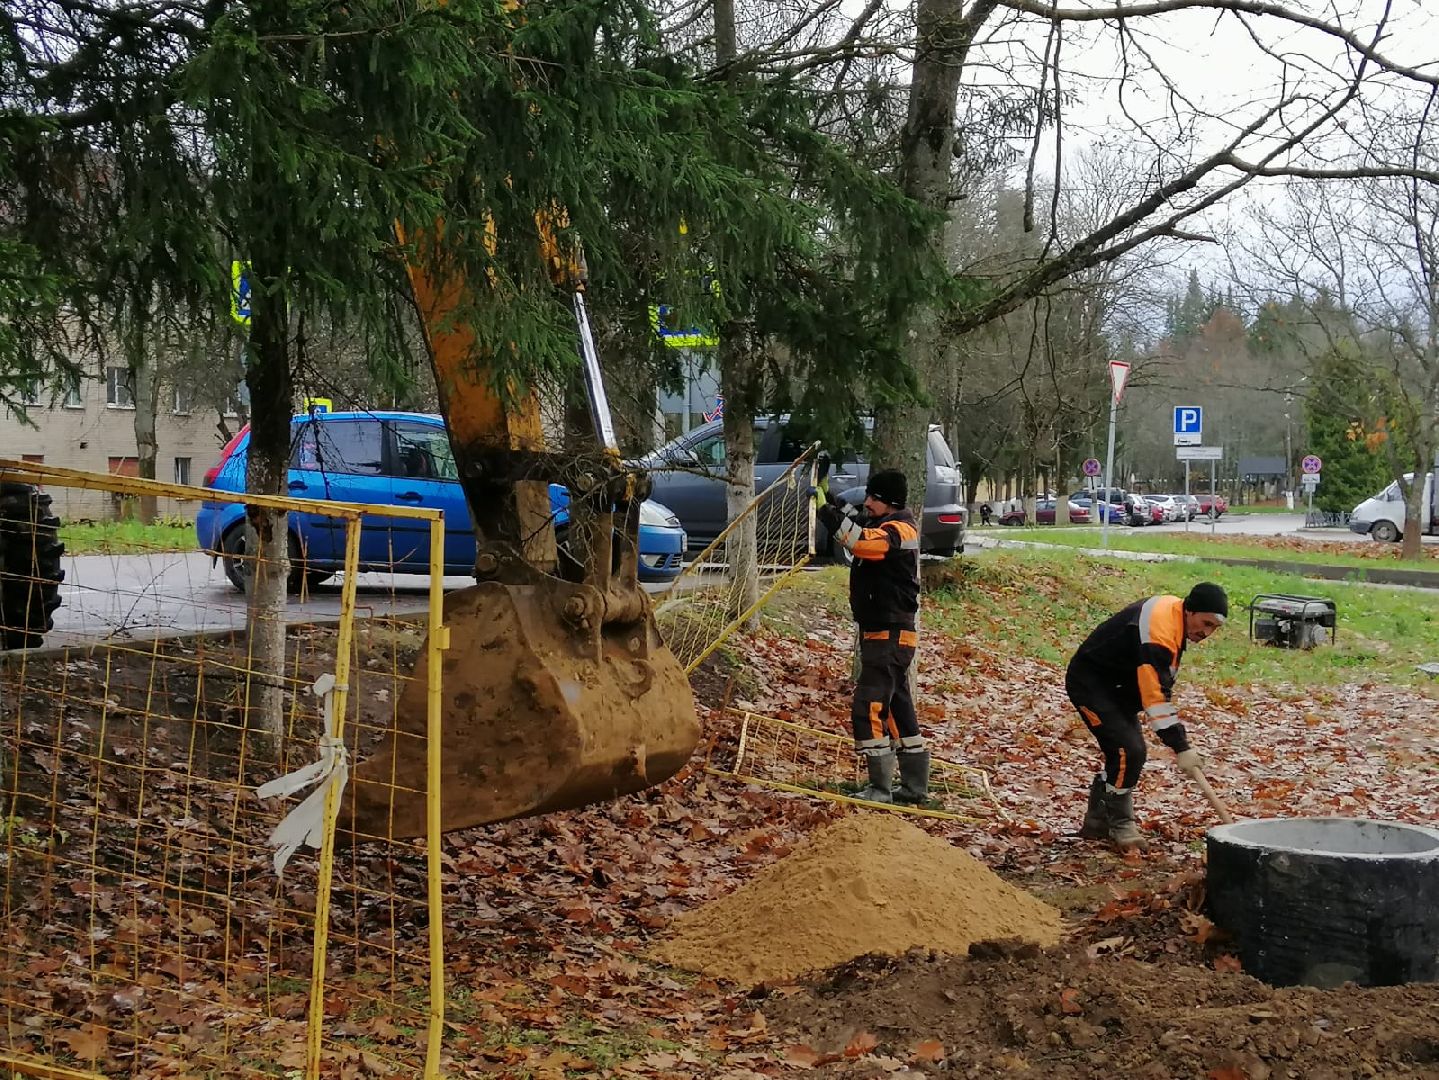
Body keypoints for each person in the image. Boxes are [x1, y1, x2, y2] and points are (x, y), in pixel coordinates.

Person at [1065, 582, 1229, 850]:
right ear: (1190, 610)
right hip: (1091, 684)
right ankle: (1120, 824)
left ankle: (1097, 824)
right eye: (1205, 623)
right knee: (1129, 750)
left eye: (1214, 628)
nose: (1207, 633)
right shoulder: (1160, 631)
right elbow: (1156, 696)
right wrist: (1181, 746)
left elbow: (1157, 686)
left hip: (1119, 688)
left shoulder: (1175, 616)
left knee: (1125, 752)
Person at [816, 469, 928, 805]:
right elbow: (855, 523)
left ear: (890, 501)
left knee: (871, 705)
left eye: (874, 498)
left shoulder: (898, 530)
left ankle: (880, 788)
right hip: (884, 632)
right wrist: (828, 498)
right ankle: (914, 788)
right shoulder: (883, 524)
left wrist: (823, 512)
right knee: (897, 707)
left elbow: (860, 543)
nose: (867, 503)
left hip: (890, 633)